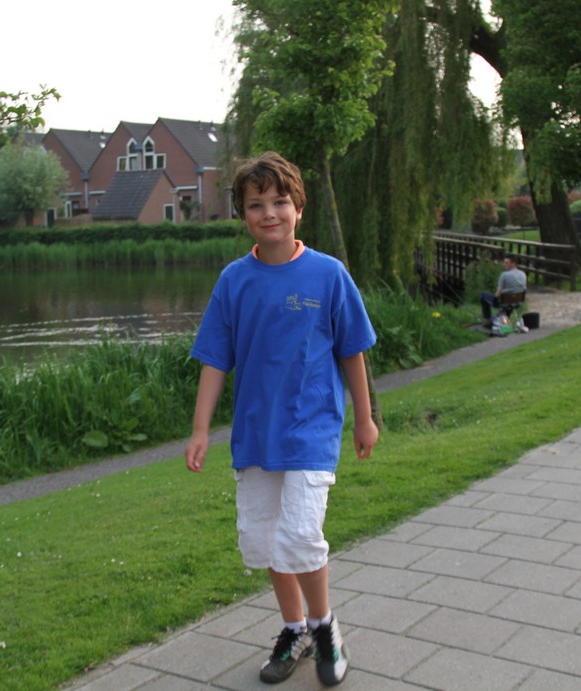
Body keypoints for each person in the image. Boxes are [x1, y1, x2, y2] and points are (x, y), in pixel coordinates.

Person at [185, 151, 378, 687]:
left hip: (312, 430)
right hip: (255, 434)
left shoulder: (328, 274)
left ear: (299, 208)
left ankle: (325, 628)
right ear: (243, 214)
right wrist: (200, 430)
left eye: (279, 201)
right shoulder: (234, 280)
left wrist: (364, 418)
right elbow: (214, 359)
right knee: (266, 539)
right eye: (256, 204)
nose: (269, 213)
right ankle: (295, 629)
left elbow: (353, 351)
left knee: (300, 535)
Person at [480, 253, 527, 324]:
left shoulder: (504, 275)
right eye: (504, 262)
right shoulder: (523, 274)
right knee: (508, 299)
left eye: (506, 263)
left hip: (504, 302)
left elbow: (499, 291)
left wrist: (495, 299)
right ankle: (504, 317)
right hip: (518, 301)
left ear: (513, 264)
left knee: (483, 294)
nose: (504, 264)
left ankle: (488, 318)